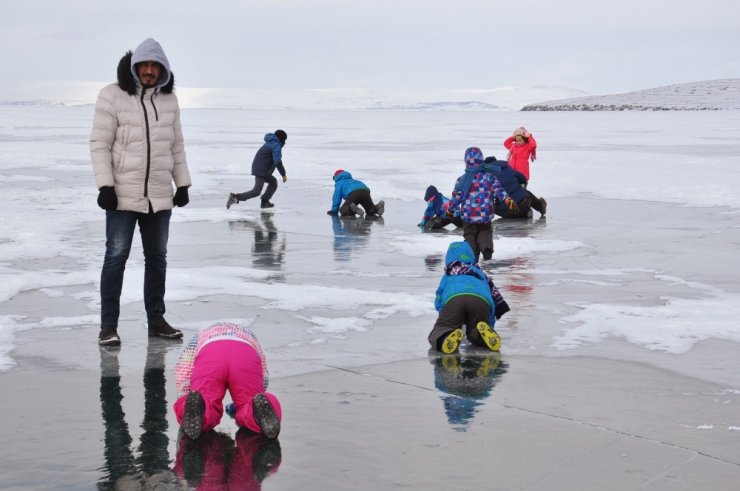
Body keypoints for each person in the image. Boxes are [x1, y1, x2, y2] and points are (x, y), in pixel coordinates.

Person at [90, 38, 192, 347]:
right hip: (121, 194)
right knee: (116, 257)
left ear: (163, 69)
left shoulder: (169, 101)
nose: (149, 71)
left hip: (160, 194)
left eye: (154, 66)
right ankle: (108, 326)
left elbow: (176, 145)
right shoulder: (113, 96)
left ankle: (156, 321)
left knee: (157, 258)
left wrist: (183, 182)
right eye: (144, 65)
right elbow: (100, 143)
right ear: (135, 67)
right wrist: (105, 185)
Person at [173, 322, 282, 441]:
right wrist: (258, 395)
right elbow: (263, 371)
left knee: (206, 400)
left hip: (210, 353)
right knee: (249, 403)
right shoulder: (248, 334)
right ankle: (256, 411)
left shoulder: (201, 334)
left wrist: (185, 395)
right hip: (245, 352)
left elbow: (184, 367)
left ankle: (199, 408)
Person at [429, 241, 510, 354]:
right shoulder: (479, 273)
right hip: (481, 300)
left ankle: (445, 335)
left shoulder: (449, 273)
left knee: (443, 327)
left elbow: (439, 297)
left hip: (454, 299)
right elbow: (491, 298)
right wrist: (489, 326)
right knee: (477, 328)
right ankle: (481, 335)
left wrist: (443, 314)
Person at [447, 147, 516, 261]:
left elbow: (456, 198)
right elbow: (499, 190)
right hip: (485, 213)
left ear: (466, 162)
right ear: (482, 160)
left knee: (470, 234)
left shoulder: (462, 179)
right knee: (485, 231)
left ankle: (472, 254)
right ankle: (486, 248)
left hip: (468, 215)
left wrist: (450, 209)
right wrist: (507, 199)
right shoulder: (489, 176)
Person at [227, 130, 288, 210]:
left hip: (260, 168)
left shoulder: (270, 143)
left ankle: (265, 201)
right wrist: (283, 174)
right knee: (256, 191)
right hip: (262, 170)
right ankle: (235, 197)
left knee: (273, 182)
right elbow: (277, 161)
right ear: (282, 139)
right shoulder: (276, 145)